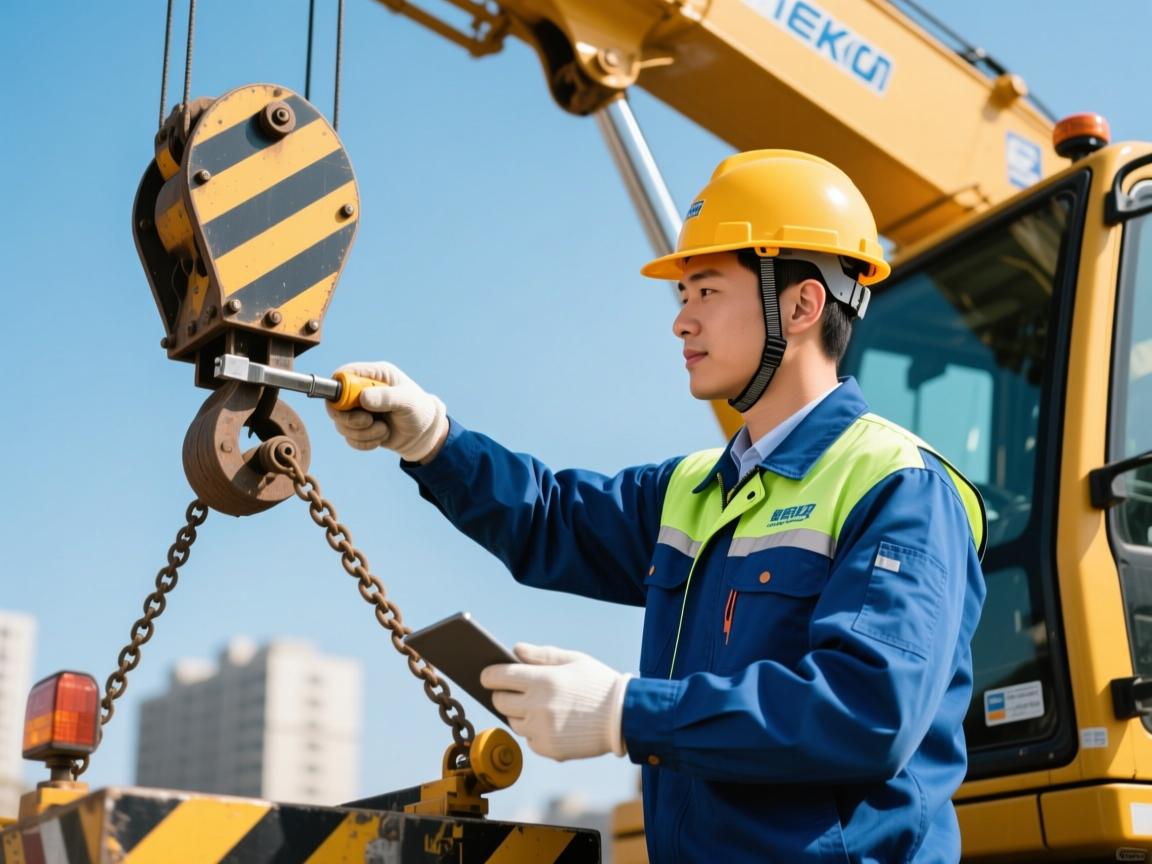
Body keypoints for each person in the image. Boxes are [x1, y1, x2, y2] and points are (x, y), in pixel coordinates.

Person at [327, 150, 986, 863]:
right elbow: (552, 518)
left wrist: (622, 712)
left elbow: (865, 711)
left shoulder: (899, 487)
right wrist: (432, 438)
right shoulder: (694, 490)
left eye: (705, 292)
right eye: (683, 299)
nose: (681, 323)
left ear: (801, 304)